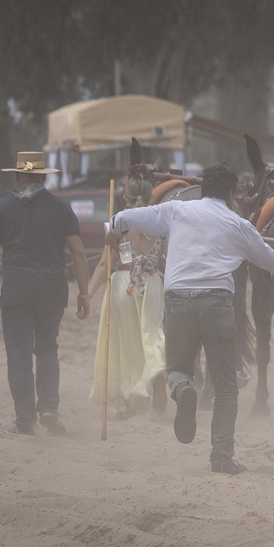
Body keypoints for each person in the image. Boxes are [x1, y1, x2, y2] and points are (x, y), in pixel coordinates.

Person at [111, 162, 274, 474]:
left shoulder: (175, 210)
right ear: (231, 193)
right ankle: (221, 455)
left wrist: (113, 226)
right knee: (225, 386)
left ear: (204, 187)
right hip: (218, 305)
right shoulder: (239, 225)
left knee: (177, 369)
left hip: (178, 301)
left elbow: (124, 219)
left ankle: (183, 391)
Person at [0, 153, 90, 436]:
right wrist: (84, 293)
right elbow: (79, 252)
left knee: (19, 356)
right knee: (47, 349)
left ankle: (25, 420)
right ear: (44, 176)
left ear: (17, 176)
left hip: (17, 291)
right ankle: (48, 407)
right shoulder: (61, 208)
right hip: (52, 290)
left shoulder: (1, 209)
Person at [88, 166, 168, 419]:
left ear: (125, 198)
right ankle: (156, 372)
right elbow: (169, 258)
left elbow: (104, 264)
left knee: (125, 343)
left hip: (124, 284)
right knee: (153, 333)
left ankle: (127, 400)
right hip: (153, 283)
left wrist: (87, 294)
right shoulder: (161, 226)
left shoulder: (116, 226)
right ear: (151, 198)